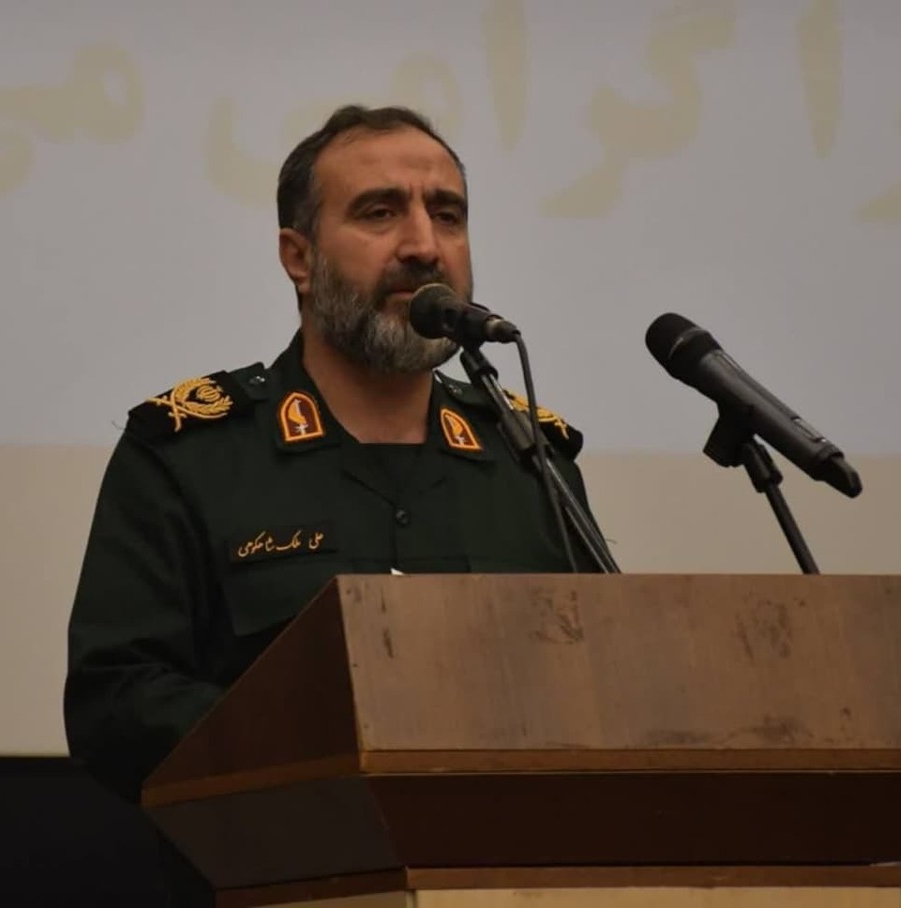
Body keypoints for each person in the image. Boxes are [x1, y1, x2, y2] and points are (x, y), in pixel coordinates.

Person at [63, 104, 604, 809]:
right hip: (277, 851)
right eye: (380, 213)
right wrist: (323, 743)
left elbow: (604, 684)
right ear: (299, 258)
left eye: (447, 215)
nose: (424, 246)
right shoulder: (190, 457)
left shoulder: (531, 461)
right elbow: (116, 703)